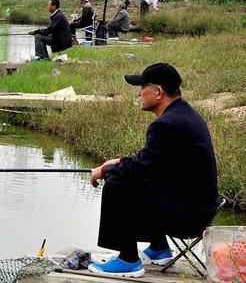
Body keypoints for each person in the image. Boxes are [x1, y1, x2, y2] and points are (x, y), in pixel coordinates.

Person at [88, 63, 220, 278]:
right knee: (135, 177)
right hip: (200, 208)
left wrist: (105, 170)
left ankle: (128, 260)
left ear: (158, 91)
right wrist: (117, 162)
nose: (139, 92)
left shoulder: (167, 124)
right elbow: (153, 163)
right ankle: (159, 249)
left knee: (117, 183)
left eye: (142, 87)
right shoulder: (183, 114)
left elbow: (139, 169)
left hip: (190, 216)